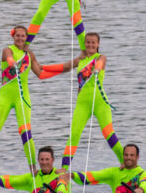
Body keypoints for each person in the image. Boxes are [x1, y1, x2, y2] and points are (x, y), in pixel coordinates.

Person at [0, 26, 58, 174]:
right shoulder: (8, 50)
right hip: (5, 97)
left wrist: (64, 69)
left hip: (22, 98)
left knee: (25, 132)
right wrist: (13, 63)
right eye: (17, 36)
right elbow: (9, 58)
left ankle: (32, 167)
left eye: (23, 36)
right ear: (13, 37)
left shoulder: (29, 54)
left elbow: (40, 74)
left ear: (26, 38)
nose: (20, 38)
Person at [41, 32, 123, 169]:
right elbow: (65, 67)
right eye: (88, 42)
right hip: (82, 104)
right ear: (84, 44)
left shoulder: (100, 57)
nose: (90, 45)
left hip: (100, 104)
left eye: (93, 42)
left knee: (108, 133)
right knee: (74, 134)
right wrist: (42, 67)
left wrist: (96, 69)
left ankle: (124, 162)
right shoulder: (80, 60)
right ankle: (64, 169)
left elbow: (101, 63)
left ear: (98, 44)